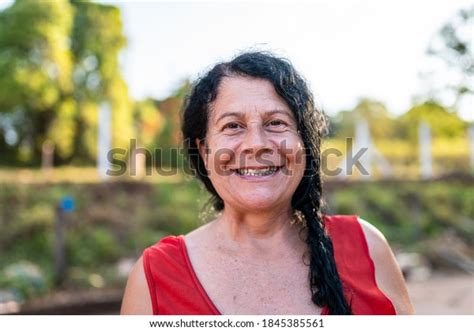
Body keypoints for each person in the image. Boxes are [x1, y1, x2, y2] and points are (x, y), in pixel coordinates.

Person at [121, 51, 415, 315]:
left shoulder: (368, 247)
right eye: (233, 126)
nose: (256, 144)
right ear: (204, 150)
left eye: (276, 123)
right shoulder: (155, 277)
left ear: (304, 143)